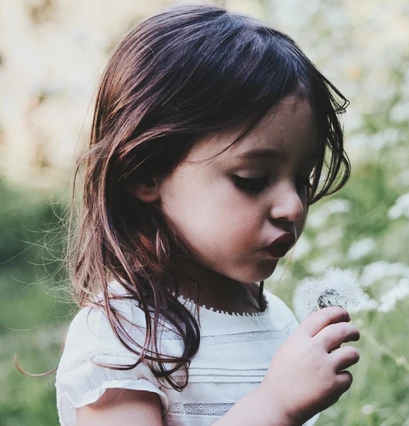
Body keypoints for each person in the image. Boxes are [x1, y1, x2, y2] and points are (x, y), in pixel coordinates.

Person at [55, 4, 360, 426]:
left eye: (303, 178)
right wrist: (275, 406)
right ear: (146, 171)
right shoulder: (118, 337)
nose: (293, 206)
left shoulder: (277, 319)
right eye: (252, 179)